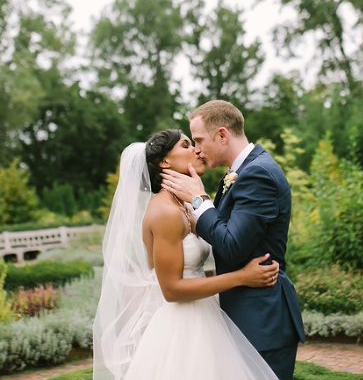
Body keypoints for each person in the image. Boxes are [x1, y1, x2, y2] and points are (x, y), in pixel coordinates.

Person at [92, 129, 281, 380]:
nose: (196, 150)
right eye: (186, 145)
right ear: (165, 162)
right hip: (183, 327)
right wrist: (242, 277)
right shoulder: (165, 212)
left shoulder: (183, 207)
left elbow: (193, 267)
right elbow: (172, 290)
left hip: (205, 315)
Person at [162, 100, 306, 380]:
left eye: (200, 140)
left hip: (262, 318)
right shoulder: (237, 173)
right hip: (243, 313)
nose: (197, 149)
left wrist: (200, 200)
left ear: (222, 135)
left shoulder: (257, 173)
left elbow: (232, 244)